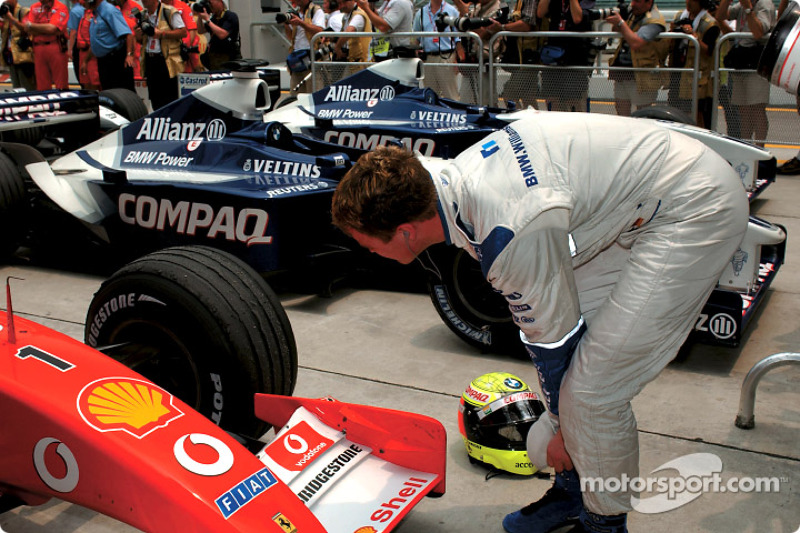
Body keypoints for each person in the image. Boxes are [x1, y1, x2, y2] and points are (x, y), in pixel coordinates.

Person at [331, 114, 749, 533]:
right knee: (574, 400)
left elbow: (555, 346)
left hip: (693, 209)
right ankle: (574, 490)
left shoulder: (505, 233)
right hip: (637, 200)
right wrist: (563, 427)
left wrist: (565, 431)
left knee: (591, 394)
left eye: (365, 242)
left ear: (404, 233)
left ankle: (605, 524)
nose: (366, 252)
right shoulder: (438, 183)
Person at [715, 0, 775, 145]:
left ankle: (759, 149)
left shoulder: (764, 4)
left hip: (757, 65)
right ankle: (746, 145)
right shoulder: (741, 5)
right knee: (743, 110)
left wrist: (748, 9)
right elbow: (720, 16)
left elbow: (759, 32)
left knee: (757, 109)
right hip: (741, 62)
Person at [606, 0, 668, 116]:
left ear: (649, 3)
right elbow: (617, 31)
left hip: (641, 75)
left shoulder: (654, 19)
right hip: (622, 72)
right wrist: (620, 19)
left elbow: (636, 43)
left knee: (643, 116)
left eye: (637, 1)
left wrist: (620, 22)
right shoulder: (632, 13)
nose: (633, 4)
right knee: (622, 115)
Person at [667, 0, 720, 128]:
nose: (688, 3)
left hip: (697, 77)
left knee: (697, 115)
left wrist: (692, 35)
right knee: (675, 113)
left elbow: (709, 51)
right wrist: (673, 29)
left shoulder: (710, 24)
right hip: (678, 73)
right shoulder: (680, 17)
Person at [537, 0, 595, 112]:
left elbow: (577, 18)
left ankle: (578, 128)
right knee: (552, 100)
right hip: (553, 54)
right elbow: (540, 12)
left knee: (574, 101)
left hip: (575, 55)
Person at [486, 0, 541, 109]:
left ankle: (521, 121)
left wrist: (502, 27)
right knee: (527, 96)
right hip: (523, 56)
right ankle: (530, 121)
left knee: (509, 94)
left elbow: (526, 24)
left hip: (527, 57)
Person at [453, 0, 508, 104]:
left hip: (485, 61)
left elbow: (483, 32)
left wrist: (469, 25)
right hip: (471, 61)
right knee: (466, 100)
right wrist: (462, 9)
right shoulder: (478, 7)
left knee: (486, 101)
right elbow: (463, 25)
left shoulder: (497, 8)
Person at [136, 0, 186, 110]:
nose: (143, 1)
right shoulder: (143, 15)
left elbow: (183, 32)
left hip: (166, 61)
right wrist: (138, 36)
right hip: (150, 60)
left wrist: (162, 34)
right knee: (155, 98)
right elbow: (143, 40)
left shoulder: (169, 12)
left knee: (169, 98)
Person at [83, 0, 136, 91]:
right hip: (104, 62)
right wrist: (85, 61)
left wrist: (129, 55)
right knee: (109, 94)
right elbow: (97, 42)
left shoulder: (109, 11)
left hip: (115, 61)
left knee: (122, 94)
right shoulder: (96, 13)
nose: (83, 2)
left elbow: (128, 34)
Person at [412, 0, 460, 100]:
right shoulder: (420, 13)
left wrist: (458, 59)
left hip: (446, 58)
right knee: (430, 95)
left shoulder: (452, 11)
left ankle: (452, 113)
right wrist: (416, 57)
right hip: (428, 59)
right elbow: (415, 38)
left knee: (450, 95)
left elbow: (458, 39)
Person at [18, 0, 69, 90]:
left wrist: (32, 26)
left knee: (61, 83)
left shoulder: (61, 7)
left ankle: (63, 102)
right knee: (42, 84)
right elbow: (27, 28)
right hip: (38, 47)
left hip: (56, 47)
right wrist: (42, 27)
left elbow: (52, 28)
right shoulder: (34, 7)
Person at [282, 0, 326, 94]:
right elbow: (291, 37)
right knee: (295, 95)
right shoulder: (295, 13)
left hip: (311, 58)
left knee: (313, 93)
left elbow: (319, 30)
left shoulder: (316, 11)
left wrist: (301, 23)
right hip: (297, 59)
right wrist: (286, 24)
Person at [1, 0, 36, 91]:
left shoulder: (24, 11)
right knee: (16, 88)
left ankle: (30, 104)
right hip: (11, 56)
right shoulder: (5, 14)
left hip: (24, 56)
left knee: (27, 87)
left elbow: (27, 29)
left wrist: (11, 19)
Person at [196, 0, 240, 70]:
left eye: (210, 2)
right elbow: (201, 30)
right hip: (214, 57)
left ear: (220, 1)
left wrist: (208, 20)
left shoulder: (230, 16)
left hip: (228, 57)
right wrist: (200, 16)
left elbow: (222, 34)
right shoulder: (214, 18)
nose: (209, 5)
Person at [162, 0, 201, 72]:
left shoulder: (182, 6)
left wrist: (186, 48)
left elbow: (192, 29)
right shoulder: (157, 7)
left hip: (184, 49)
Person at [110, 0, 144, 78]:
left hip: (134, 56)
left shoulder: (136, 8)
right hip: (116, 54)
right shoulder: (112, 8)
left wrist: (130, 54)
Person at [334, 0, 372, 67]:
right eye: (339, 3)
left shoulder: (359, 15)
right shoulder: (347, 16)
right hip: (353, 60)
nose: (342, 5)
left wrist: (337, 47)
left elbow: (349, 31)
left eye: (344, 2)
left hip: (361, 62)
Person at [76, 4, 101, 89]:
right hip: (82, 53)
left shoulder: (96, 13)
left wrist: (86, 61)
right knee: (85, 83)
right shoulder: (85, 12)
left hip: (92, 55)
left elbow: (95, 40)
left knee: (95, 84)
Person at [66, 0, 85, 87]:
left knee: (80, 73)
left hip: (79, 44)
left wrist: (70, 49)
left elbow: (73, 32)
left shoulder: (74, 11)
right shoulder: (87, 10)